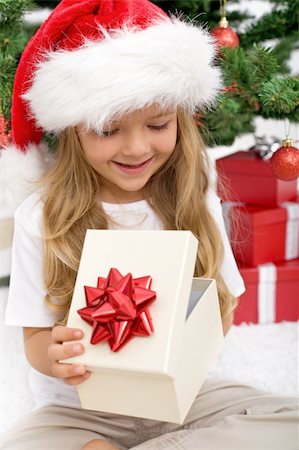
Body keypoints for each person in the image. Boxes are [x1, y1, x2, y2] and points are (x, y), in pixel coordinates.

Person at [1, 1, 298, 449]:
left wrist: (191, 341)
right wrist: (56, 356)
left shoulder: (193, 192)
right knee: (27, 441)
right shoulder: (41, 217)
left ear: (179, 118)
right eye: (108, 130)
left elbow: (223, 300)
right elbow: (36, 341)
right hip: (83, 411)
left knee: (287, 419)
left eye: (158, 124)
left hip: (184, 399)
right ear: (73, 132)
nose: (137, 148)